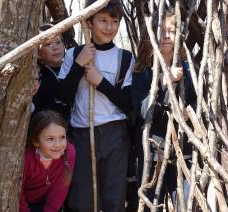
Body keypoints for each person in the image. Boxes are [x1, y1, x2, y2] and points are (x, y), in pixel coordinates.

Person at [58, 0, 134, 211]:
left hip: (115, 134)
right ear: (90, 21)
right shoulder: (74, 55)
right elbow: (63, 96)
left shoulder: (125, 58)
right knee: (82, 197)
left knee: (113, 196)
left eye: (114, 21)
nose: (109, 27)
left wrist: (100, 82)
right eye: (102, 20)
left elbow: (127, 104)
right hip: (82, 133)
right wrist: (78, 65)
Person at [131, 9, 196, 209]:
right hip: (152, 150)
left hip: (181, 151)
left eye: (172, 30)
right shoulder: (142, 71)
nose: (167, 35)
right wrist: (164, 82)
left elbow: (195, 102)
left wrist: (189, 112)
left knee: (183, 204)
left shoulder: (186, 68)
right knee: (151, 203)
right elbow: (144, 112)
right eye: (162, 30)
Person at [20, 110, 76, 212]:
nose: (58, 145)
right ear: (36, 141)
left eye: (62, 137)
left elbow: (59, 191)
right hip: (23, 205)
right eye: (50, 139)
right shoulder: (26, 158)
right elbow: (18, 192)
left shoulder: (69, 152)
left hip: (47, 205)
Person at [33, 24, 71, 119]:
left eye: (58, 42)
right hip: (46, 125)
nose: (55, 47)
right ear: (38, 53)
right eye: (48, 44)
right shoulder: (37, 75)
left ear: (64, 45)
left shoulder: (71, 68)